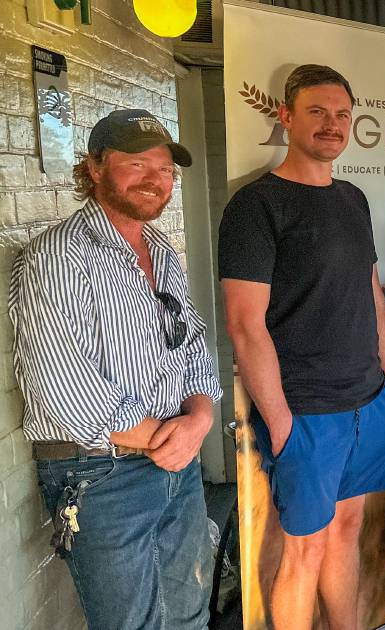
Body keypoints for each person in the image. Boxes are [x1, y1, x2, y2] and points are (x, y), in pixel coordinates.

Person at [9, 108, 223, 629]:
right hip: (100, 475)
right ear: (96, 167)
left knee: (191, 614)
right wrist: (166, 438)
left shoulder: (160, 251)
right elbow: (65, 388)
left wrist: (198, 419)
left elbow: (190, 344)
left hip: (176, 459)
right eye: (137, 163)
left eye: (166, 168)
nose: (156, 179)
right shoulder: (59, 255)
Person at [219, 65, 385, 630]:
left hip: (370, 403)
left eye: (343, 114)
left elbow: (370, 290)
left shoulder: (353, 198)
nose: (333, 124)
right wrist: (281, 426)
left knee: (346, 533)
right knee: (303, 551)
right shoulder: (256, 206)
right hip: (306, 414)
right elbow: (245, 326)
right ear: (287, 116)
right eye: (318, 112)